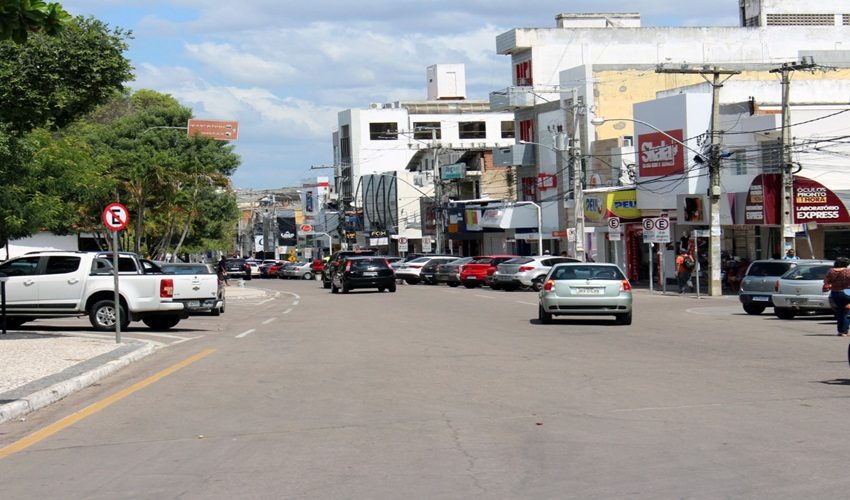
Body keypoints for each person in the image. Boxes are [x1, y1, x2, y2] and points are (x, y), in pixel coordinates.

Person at [823, 256, 850, 336]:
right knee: (847, 312)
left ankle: (840, 331)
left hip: (835, 293)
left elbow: (826, 281)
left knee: (840, 312)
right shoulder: (848, 271)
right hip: (847, 293)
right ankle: (844, 331)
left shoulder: (831, 271)